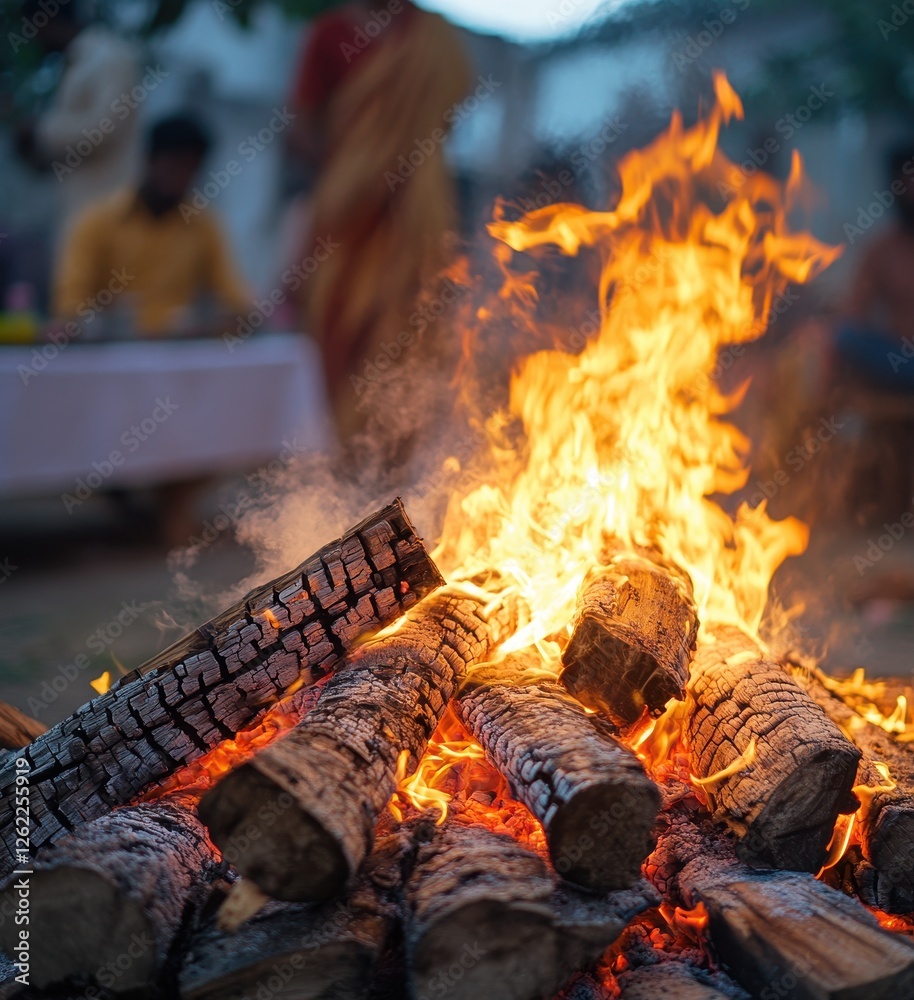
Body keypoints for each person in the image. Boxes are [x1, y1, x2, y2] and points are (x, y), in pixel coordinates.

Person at [289, 0, 472, 447]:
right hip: (349, 218)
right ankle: (335, 452)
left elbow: (447, 117)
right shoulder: (330, 31)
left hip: (416, 218)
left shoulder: (433, 35)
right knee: (335, 323)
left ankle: (394, 455)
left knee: (413, 322)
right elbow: (299, 126)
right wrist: (353, 174)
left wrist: (400, 168)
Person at [53, 113, 250, 338]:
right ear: (149, 159)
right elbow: (71, 302)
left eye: (191, 168)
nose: (182, 177)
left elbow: (234, 296)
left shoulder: (205, 226)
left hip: (179, 355)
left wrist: (243, 313)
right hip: (112, 354)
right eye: (175, 165)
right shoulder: (96, 222)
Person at [15, 0, 141, 246]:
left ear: (45, 23)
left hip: (106, 213)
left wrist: (39, 130)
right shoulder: (76, 64)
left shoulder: (109, 57)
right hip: (79, 214)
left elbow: (104, 128)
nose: (34, 40)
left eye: (33, 29)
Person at [838, 146, 914, 391]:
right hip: (898, 360)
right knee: (844, 337)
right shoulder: (883, 249)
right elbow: (854, 313)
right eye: (904, 184)